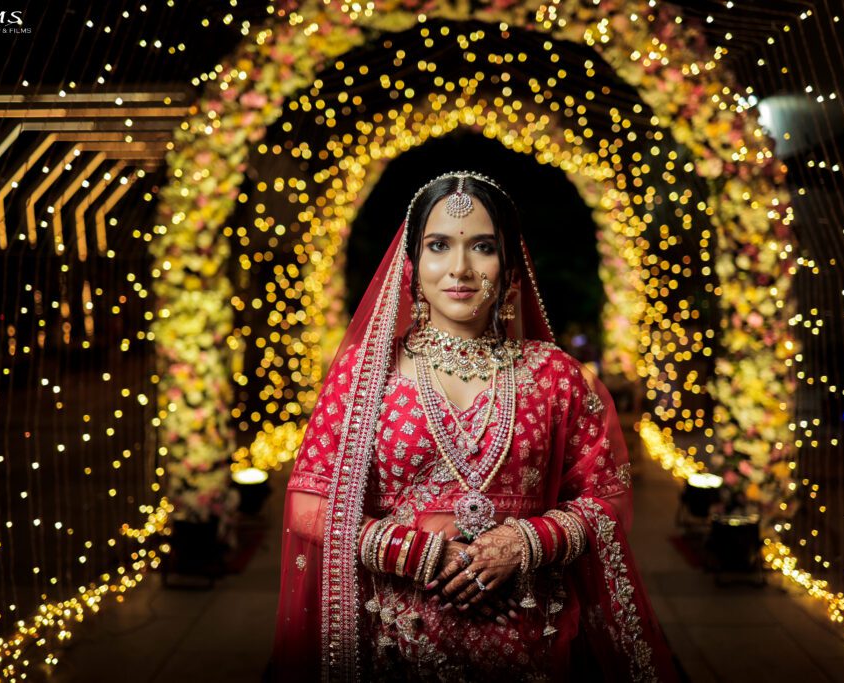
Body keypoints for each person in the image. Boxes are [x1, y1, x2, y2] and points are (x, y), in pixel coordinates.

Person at [267, 171, 678, 681]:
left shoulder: (556, 377)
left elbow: (608, 498)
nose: (459, 269)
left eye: (482, 247)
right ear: (413, 265)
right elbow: (309, 502)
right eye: (439, 245)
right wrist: (416, 552)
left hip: (531, 639)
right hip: (394, 643)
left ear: (509, 267)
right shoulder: (363, 374)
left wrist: (525, 544)